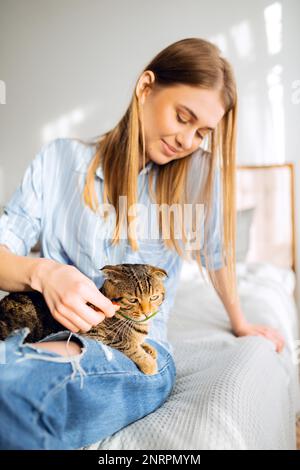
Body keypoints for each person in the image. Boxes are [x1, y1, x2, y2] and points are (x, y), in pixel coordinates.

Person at [0, 37, 285, 450]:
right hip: (39, 325)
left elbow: (217, 255)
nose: (188, 140)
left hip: (130, 346)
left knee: (18, 389)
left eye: (202, 132)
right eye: (183, 117)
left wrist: (240, 321)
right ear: (146, 87)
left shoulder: (197, 177)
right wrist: (43, 272)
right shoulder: (58, 161)